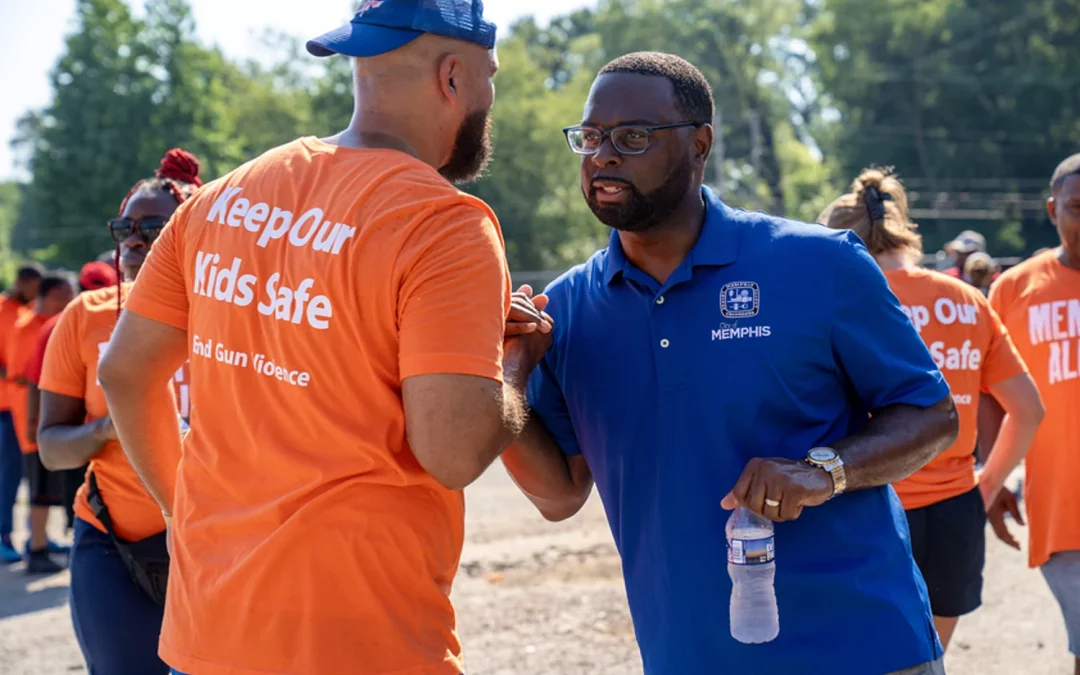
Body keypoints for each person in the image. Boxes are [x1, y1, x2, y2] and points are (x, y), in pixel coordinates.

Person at [98, 3, 551, 674]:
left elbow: (124, 373)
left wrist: (183, 511)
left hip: (208, 630)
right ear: (453, 77)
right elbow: (453, 450)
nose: (490, 97)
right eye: (491, 78)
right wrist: (514, 367)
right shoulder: (442, 222)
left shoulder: (223, 197)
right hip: (359, 636)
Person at [500, 52, 959, 675]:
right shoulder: (568, 311)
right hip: (689, 656)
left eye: (632, 137)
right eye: (590, 137)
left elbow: (932, 416)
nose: (603, 155)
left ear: (699, 144)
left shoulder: (818, 264)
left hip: (865, 648)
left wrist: (822, 471)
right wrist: (507, 372)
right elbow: (558, 496)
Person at [820, 168, 1045, 650]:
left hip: (867, 506)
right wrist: (984, 485)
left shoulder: (843, 296)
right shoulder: (966, 299)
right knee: (928, 658)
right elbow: (1028, 409)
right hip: (956, 510)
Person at [38, 150, 200, 673]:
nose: (133, 239)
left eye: (152, 226)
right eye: (124, 226)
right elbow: (52, 449)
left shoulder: (230, 313)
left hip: (211, 543)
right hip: (112, 540)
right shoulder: (84, 318)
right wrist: (115, 424)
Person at [984, 152, 1080, 675]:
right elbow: (987, 393)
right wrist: (992, 475)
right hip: (1062, 505)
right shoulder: (1014, 289)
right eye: (1077, 207)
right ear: (1051, 210)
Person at [26, 261, 119, 534]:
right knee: (44, 491)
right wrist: (34, 423)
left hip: (86, 437)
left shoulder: (129, 320)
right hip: (76, 433)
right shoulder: (66, 323)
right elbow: (34, 379)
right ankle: (40, 546)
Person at [6, 272, 75, 574]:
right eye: (64, 296)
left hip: (43, 419)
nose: (69, 302)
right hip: (33, 422)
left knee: (46, 489)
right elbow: (24, 376)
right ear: (46, 296)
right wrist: (35, 421)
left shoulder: (49, 324)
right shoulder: (27, 328)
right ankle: (36, 549)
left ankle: (42, 540)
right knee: (38, 490)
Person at [0, 264, 43, 563]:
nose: (36, 294)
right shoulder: (3, 311)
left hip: (19, 405)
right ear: (22, 282)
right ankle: (3, 536)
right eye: (34, 287)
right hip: (4, 408)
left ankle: (37, 536)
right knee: (7, 475)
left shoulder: (24, 312)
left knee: (23, 476)